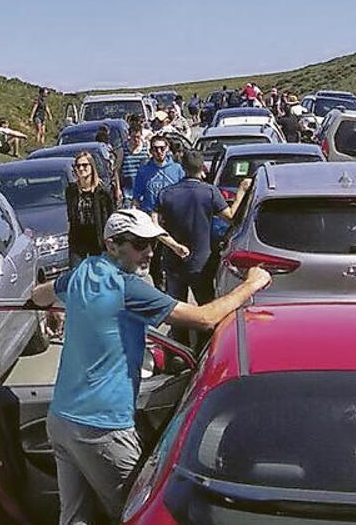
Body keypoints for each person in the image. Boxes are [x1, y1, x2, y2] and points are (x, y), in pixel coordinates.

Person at [27, 209, 271, 525]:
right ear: (112, 244)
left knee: (74, 516)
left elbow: (39, 295)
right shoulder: (130, 288)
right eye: (140, 244)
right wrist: (251, 284)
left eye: (151, 244)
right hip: (104, 427)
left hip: (61, 418)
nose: (149, 252)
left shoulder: (84, 271)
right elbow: (205, 318)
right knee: (142, 514)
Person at [157, 151, 251, 341]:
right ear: (202, 169)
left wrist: (174, 245)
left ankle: (178, 353)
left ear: (183, 168)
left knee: (177, 311)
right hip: (201, 262)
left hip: (174, 262)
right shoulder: (209, 192)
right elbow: (231, 216)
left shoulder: (166, 194)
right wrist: (241, 190)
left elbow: (156, 225)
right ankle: (203, 349)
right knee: (206, 310)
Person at [133, 135, 186, 287]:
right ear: (150, 151)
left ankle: (172, 285)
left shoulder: (177, 169)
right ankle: (159, 286)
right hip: (151, 221)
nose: (159, 152)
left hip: (172, 220)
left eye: (162, 148)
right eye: (155, 149)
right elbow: (137, 197)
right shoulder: (144, 171)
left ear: (167, 149)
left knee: (173, 254)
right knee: (154, 258)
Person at [65, 151, 116, 266]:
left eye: (85, 165)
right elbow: (71, 217)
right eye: (78, 166)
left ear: (92, 167)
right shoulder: (71, 191)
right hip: (78, 241)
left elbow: (111, 216)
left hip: (98, 240)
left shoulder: (103, 191)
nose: (81, 168)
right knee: (77, 274)